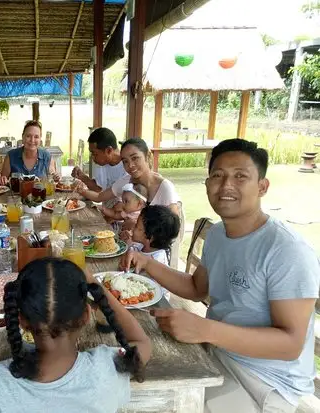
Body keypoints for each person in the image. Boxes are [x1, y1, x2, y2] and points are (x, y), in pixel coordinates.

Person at [121, 139, 320, 413]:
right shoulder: (217, 234)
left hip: (264, 381)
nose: (226, 185)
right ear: (207, 185)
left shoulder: (286, 250)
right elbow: (195, 288)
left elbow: (290, 345)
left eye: (241, 176)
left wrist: (205, 329)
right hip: (215, 352)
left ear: (262, 186)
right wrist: (146, 261)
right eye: (218, 176)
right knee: (125, 386)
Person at [0, 257, 152, 413]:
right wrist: (94, 285)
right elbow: (142, 342)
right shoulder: (107, 368)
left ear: (21, 321)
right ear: (86, 315)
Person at [77, 138, 184, 268]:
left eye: (135, 158)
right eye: (125, 161)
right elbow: (100, 196)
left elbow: (172, 231)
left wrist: (136, 227)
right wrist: (81, 190)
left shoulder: (164, 187)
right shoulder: (127, 180)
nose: (130, 165)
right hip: (133, 247)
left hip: (156, 256)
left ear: (148, 156)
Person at [71, 127, 127, 207]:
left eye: (95, 154)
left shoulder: (128, 167)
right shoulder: (102, 162)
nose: (92, 158)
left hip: (120, 216)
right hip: (107, 211)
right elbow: (98, 188)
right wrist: (82, 177)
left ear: (108, 150)